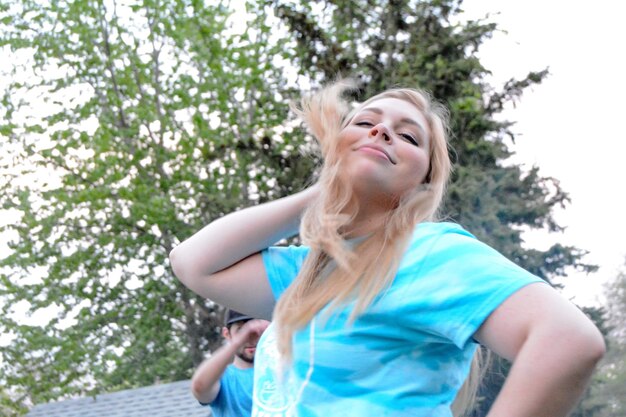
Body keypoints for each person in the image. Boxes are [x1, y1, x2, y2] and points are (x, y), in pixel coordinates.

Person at [170, 80, 605, 417]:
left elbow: (568, 340)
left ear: (424, 180)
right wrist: (326, 190)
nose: (381, 130)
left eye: (409, 137)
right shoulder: (305, 274)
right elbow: (193, 263)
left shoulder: (427, 253)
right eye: (364, 122)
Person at [191, 309, 269, 417]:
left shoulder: (284, 371)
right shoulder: (223, 378)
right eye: (241, 330)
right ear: (227, 334)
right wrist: (238, 341)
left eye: (258, 331)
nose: (251, 339)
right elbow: (199, 387)